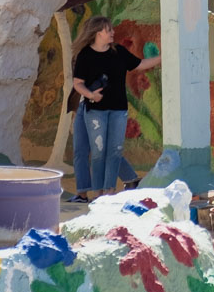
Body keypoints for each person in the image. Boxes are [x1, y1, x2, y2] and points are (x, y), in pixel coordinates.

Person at [68, 16, 160, 202]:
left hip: (118, 109)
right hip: (94, 110)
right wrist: (91, 95)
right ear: (97, 33)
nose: (112, 32)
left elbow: (140, 64)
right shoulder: (85, 55)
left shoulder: (119, 52)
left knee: (115, 151)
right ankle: (95, 193)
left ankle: (109, 192)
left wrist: (162, 57)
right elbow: (78, 83)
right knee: (97, 151)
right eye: (108, 30)